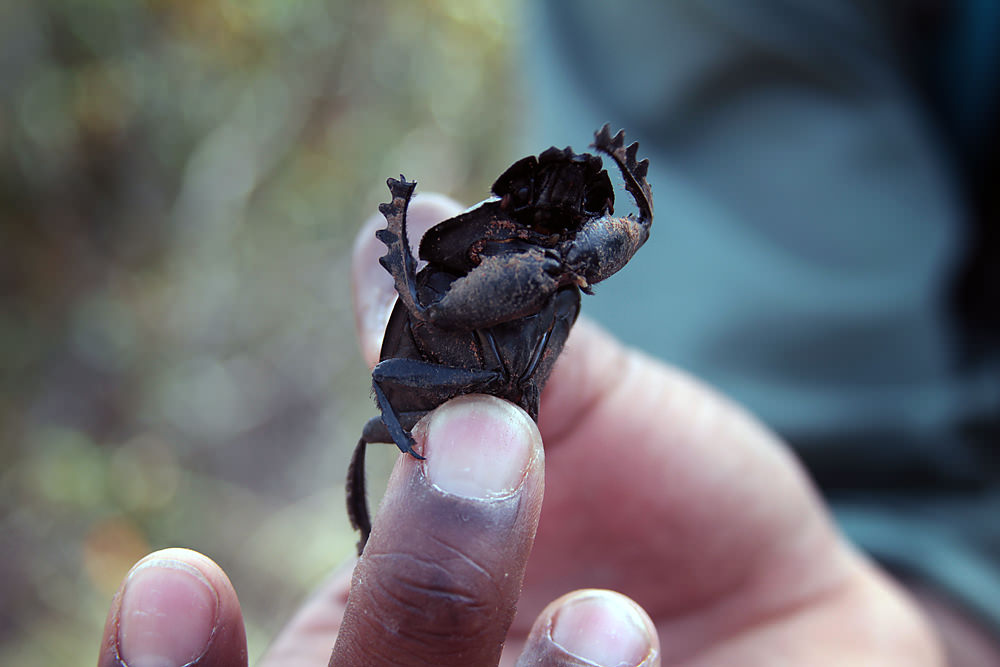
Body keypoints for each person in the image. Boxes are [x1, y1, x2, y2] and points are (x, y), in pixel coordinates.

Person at [98, 2, 1000, 665]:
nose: (556, 217)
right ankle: (375, 535)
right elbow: (428, 315)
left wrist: (925, 636)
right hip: (436, 361)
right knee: (389, 428)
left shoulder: (567, 272)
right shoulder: (497, 238)